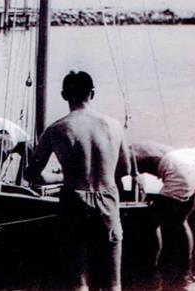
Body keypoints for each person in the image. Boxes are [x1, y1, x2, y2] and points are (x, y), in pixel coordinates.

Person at [25, 71, 131, 291]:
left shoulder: (56, 129)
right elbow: (125, 169)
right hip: (108, 200)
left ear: (64, 95)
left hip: (74, 200)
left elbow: (32, 174)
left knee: (77, 280)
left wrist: (61, 177)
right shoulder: (113, 125)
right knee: (113, 282)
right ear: (92, 93)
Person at [131, 140, 195, 272]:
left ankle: (151, 265)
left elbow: (121, 176)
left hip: (178, 171)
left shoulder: (122, 154)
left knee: (151, 224)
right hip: (193, 171)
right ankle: (185, 264)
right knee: (180, 221)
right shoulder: (159, 148)